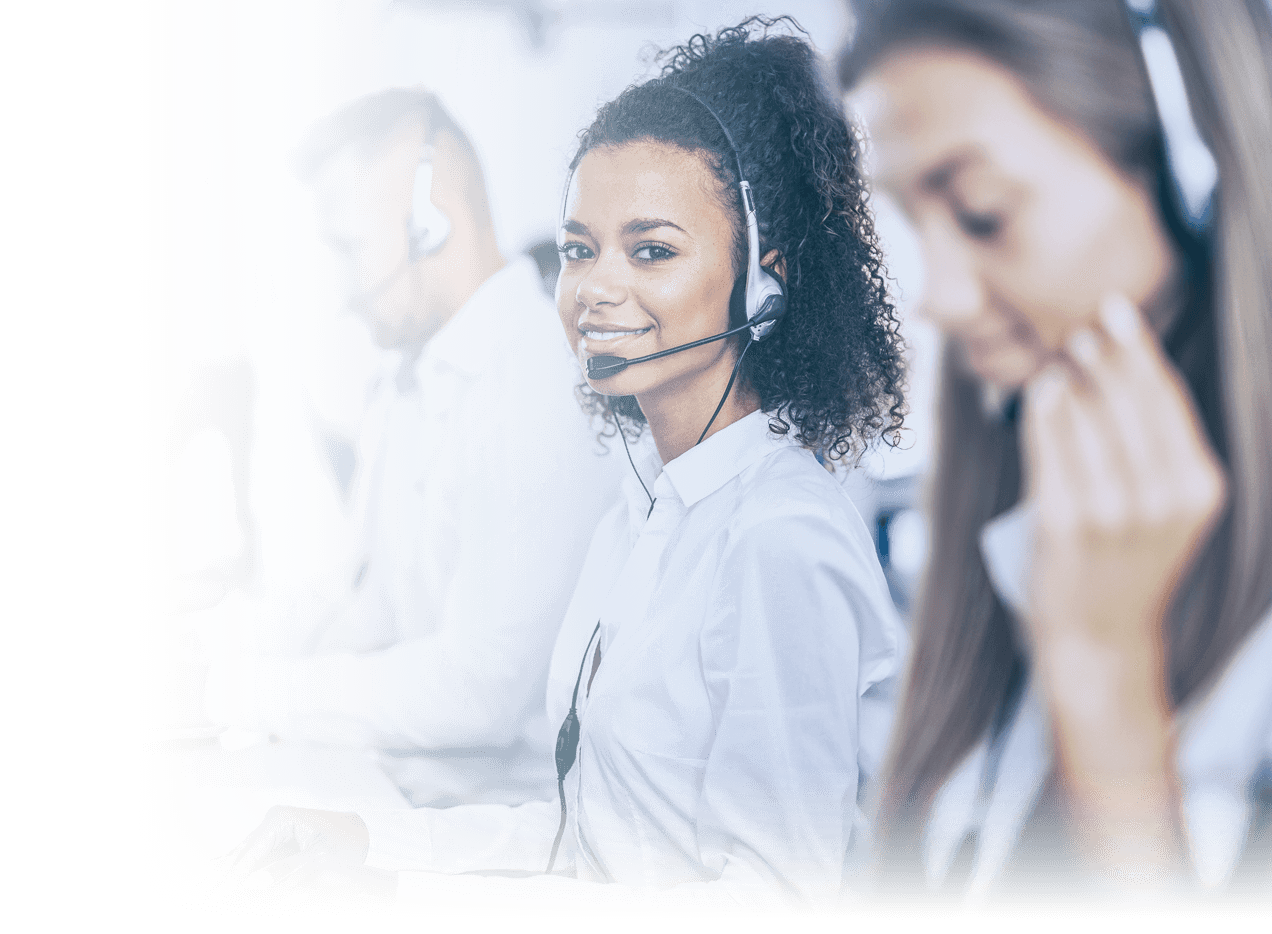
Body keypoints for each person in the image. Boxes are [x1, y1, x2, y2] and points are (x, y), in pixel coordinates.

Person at [210, 17, 910, 915]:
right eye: (581, 249)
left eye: (650, 250)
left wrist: (403, 892)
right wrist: (370, 838)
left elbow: (775, 902)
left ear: (761, 284)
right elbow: (586, 839)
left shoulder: (781, 536)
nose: (593, 289)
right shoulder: (646, 510)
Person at [838, 0, 1272, 909]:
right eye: (916, 226)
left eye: (982, 214)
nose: (944, 300)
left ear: (1192, 173)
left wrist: (1104, 673)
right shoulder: (1009, 495)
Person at [189, 88, 626, 811]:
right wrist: (216, 647)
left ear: (430, 223)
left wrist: (254, 690)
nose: (340, 292)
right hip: (400, 788)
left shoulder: (538, 387)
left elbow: (479, 687)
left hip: (500, 830)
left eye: (348, 248)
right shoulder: (405, 377)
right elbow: (368, 601)